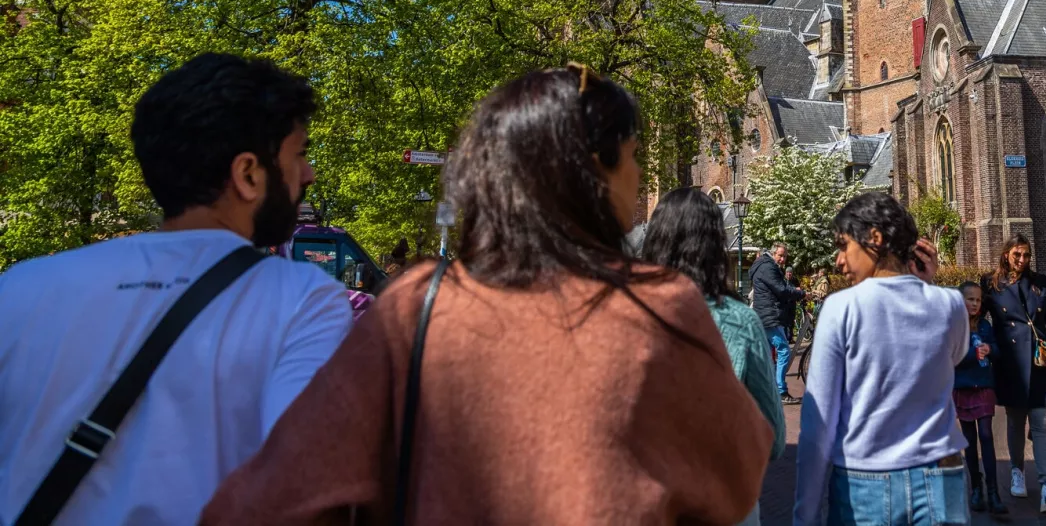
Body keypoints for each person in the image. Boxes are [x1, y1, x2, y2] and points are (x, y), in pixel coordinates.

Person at [202, 65, 772, 524]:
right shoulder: (660, 306)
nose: (641, 171)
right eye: (632, 154)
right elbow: (740, 473)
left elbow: (269, 498)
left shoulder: (414, 310)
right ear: (590, 170)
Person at [0, 52, 353, 526]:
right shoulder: (301, 298)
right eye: (300, 154)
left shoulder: (21, 286)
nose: (307, 174)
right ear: (248, 174)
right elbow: (299, 489)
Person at [792, 192, 969, 526]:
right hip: (941, 475)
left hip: (865, 482)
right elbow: (954, 357)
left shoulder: (840, 309)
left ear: (874, 238)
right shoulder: (950, 305)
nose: (838, 260)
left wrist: (805, 513)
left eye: (844, 245)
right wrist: (924, 284)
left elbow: (818, 425)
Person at [643, 187, 785, 526]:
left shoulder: (623, 317)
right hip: (722, 503)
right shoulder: (739, 321)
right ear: (714, 247)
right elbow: (775, 440)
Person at [982, 233, 1046, 514]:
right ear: (1006, 254)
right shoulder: (991, 284)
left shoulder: (1041, 282)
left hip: (1041, 361)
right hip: (1011, 362)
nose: (1022, 260)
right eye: (1017, 254)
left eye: (1026, 255)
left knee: (1042, 423)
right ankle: (1017, 470)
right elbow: (977, 317)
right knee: (1015, 420)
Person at [956, 281, 1008, 517]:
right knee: (969, 439)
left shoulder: (985, 326)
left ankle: (993, 491)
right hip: (963, 387)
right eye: (970, 299)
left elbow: (998, 350)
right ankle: (975, 487)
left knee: (986, 436)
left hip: (984, 386)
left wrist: (990, 348)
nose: (975, 303)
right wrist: (971, 354)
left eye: (978, 300)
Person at [751, 240, 808, 404]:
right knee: (783, 350)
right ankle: (781, 391)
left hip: (764, 315)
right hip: (770, 316)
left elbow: (781, 287)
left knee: (769, 355)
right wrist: (802, 294)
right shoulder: (768, 267)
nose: (783, 259)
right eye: (780, 256)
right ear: (773, 253)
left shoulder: (765, 266)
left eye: (785, 257)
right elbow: (781, 290)